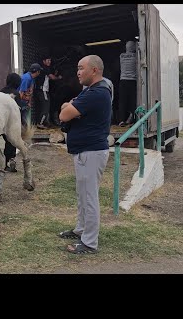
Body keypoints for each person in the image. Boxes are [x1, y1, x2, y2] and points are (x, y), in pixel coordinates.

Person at [58, 55, 111, 254]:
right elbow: (69, 109)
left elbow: (64, 114)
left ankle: (89, 242)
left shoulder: (96, 93)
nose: (78, 72)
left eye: (81, 68)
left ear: (94, 70)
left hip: (91, 151)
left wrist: (69, 107)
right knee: (83, 195)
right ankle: (81, 229)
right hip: (84, 151)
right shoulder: (90, 92)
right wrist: (71, 107)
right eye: (77, 68)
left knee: (89, 197)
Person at [0, 72, 22, 172]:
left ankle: (3, 163)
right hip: (10, 122)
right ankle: (10, 161)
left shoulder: (1, 92)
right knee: (11, 142)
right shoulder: (15, 94)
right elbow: (19, 109)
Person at [34, 56, 62, 129]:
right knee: (45, 107)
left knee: (45, 106)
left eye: (50, 60)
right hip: (43, 90)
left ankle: (45, 122)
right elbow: (52, 77)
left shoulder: (42, 69)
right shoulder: (44, 68)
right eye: (48, 60)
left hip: (41, 91)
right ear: (44, 61)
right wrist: (58, 78)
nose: (49, 62)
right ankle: (40, 123)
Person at [118, 40, 137, 126]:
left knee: (122, 101)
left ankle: (121, 120)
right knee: (132, 101)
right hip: (132, 81)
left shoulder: (121, 56)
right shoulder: (136, 56)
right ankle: (132, 119)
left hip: (123, 81)